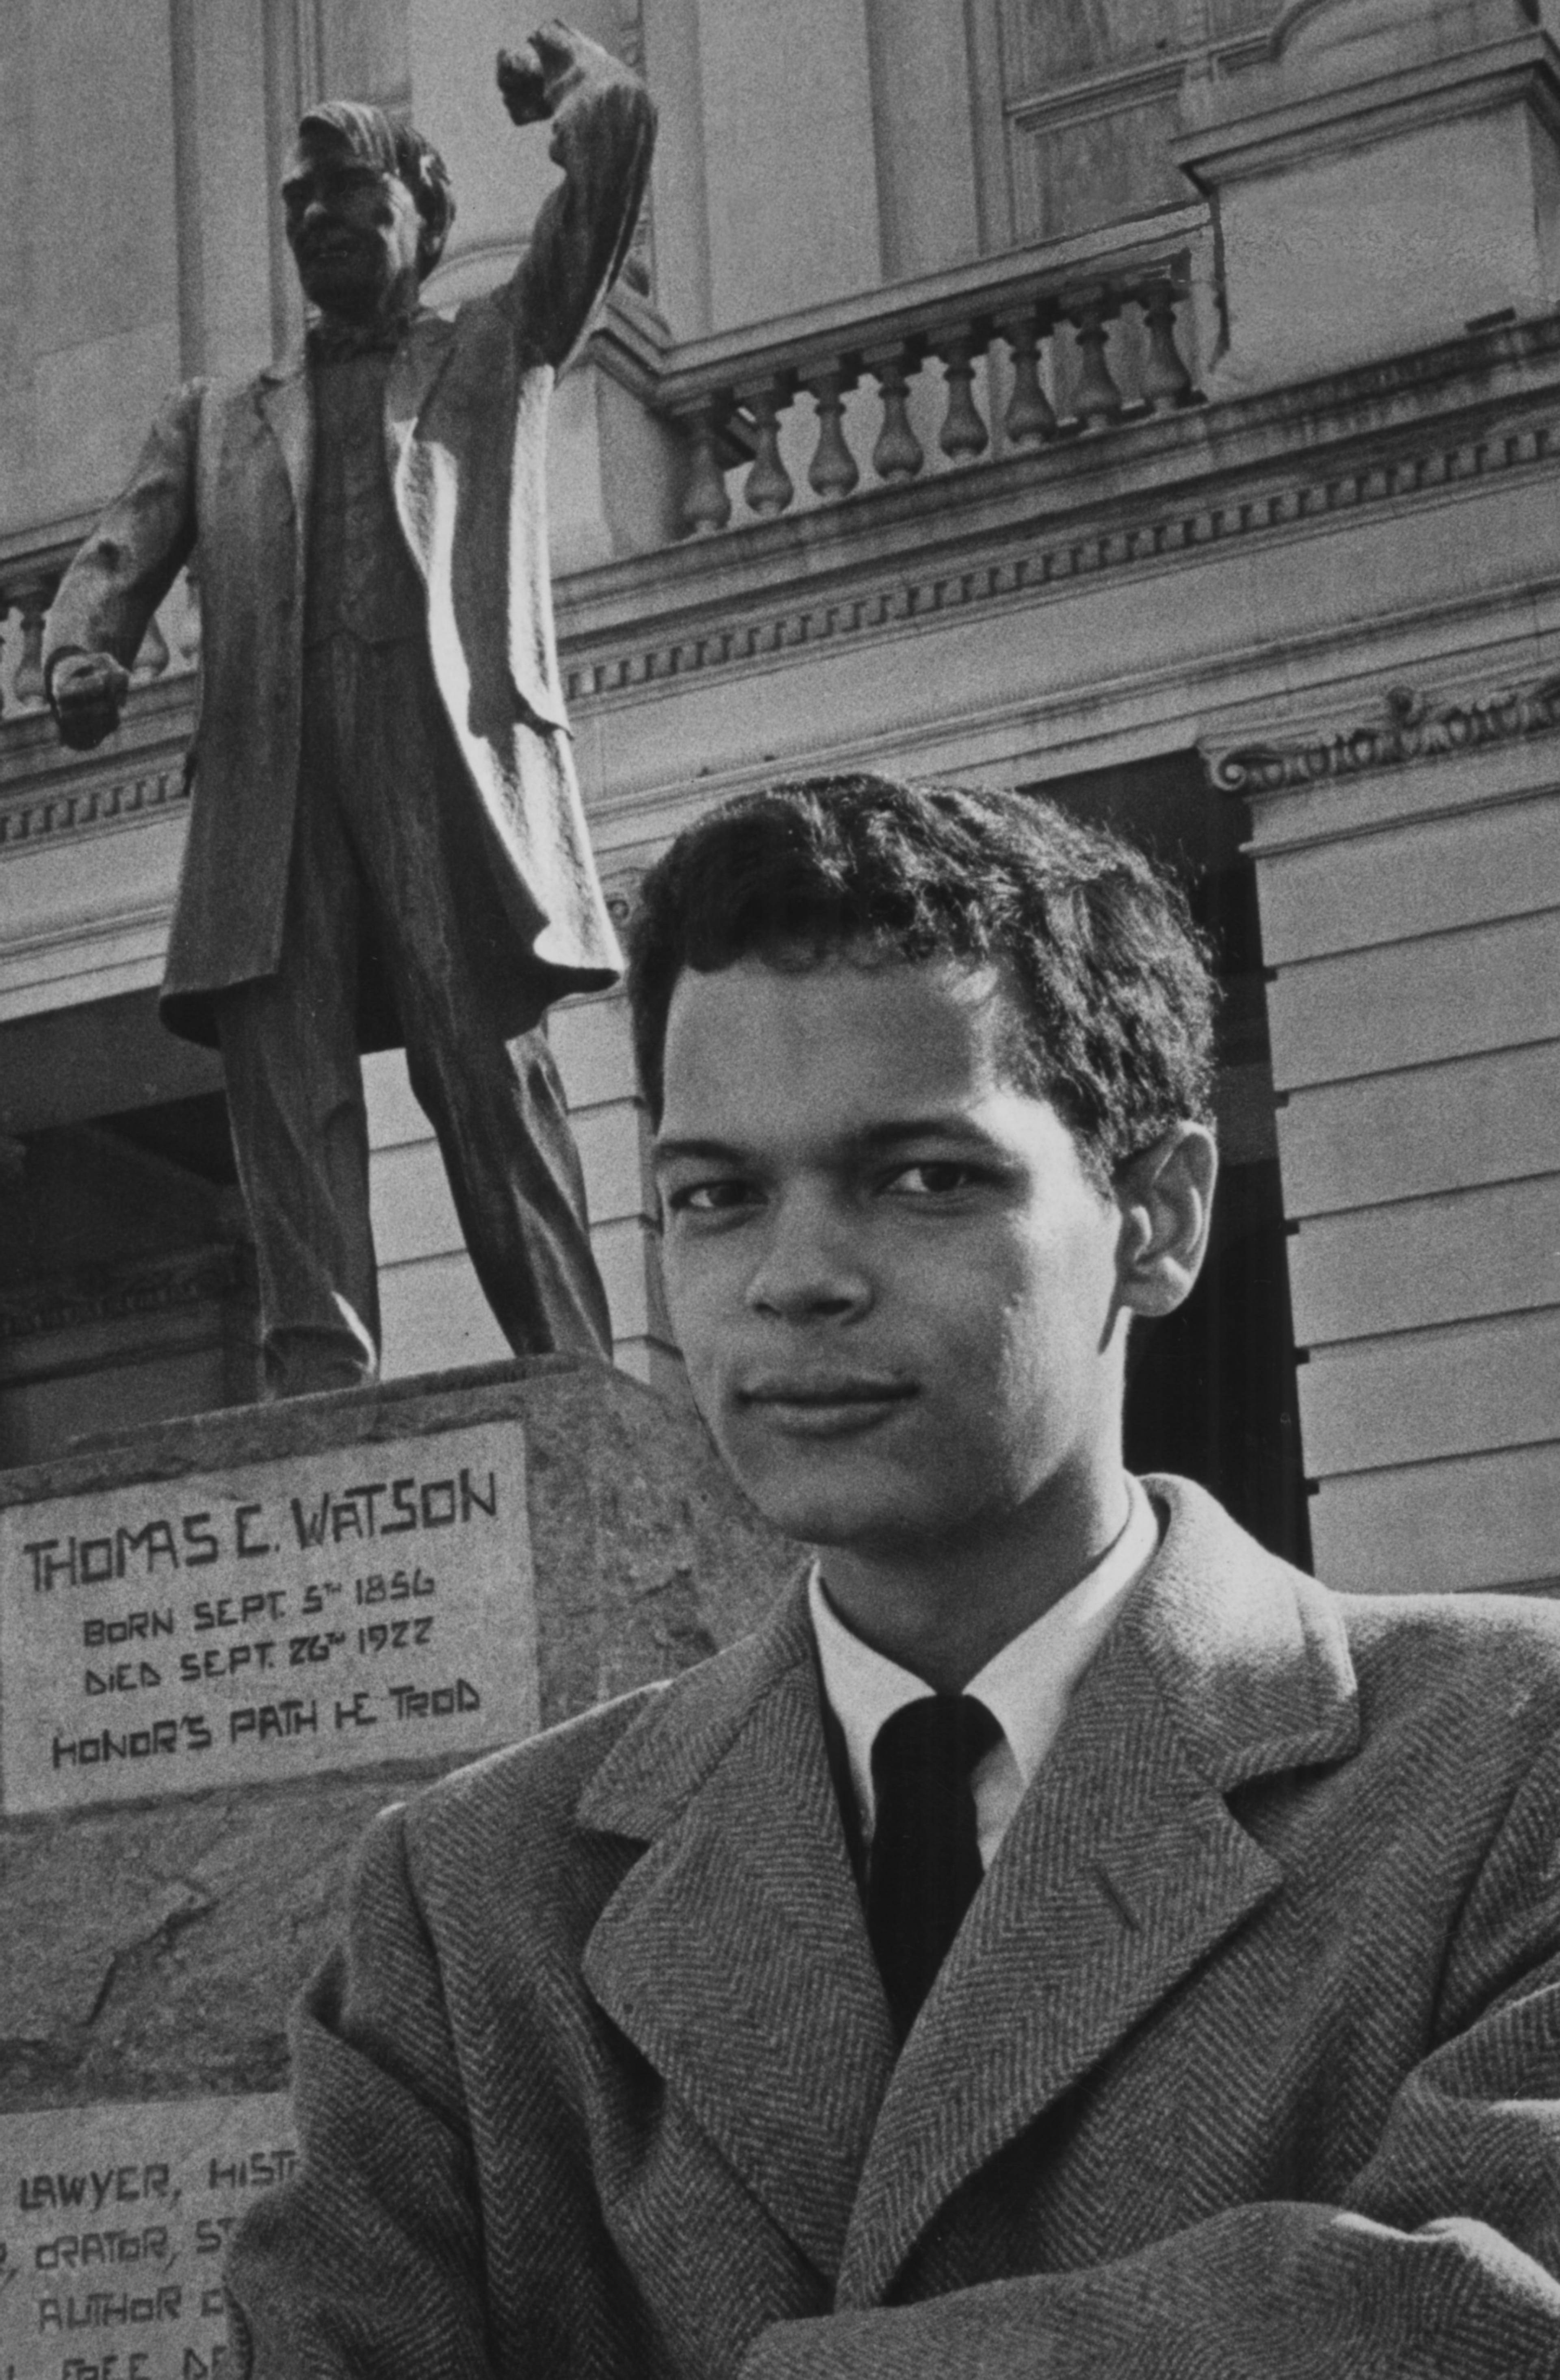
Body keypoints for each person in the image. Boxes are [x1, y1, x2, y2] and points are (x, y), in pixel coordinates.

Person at [224, 774, 1560, 2375]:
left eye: (923, 1177)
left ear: (1161, 1213)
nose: (794, 1279)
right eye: (717, 1194)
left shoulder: (1509, 1759)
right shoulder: (461, 1897)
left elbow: (1487, 2321)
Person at [44, 24, 655, 1396]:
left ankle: (575, 1372)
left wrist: (588, 94)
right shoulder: (216, 417)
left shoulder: (497, 348)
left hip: (436, 762)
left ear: (425, 220)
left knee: (487, 1075)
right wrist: (85, 652)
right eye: (299, 202)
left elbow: (607, 185)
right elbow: (119, 556)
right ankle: (319, 1387)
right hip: (271, 782)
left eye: (353, 193)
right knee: (285, 1088)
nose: (321, 218)